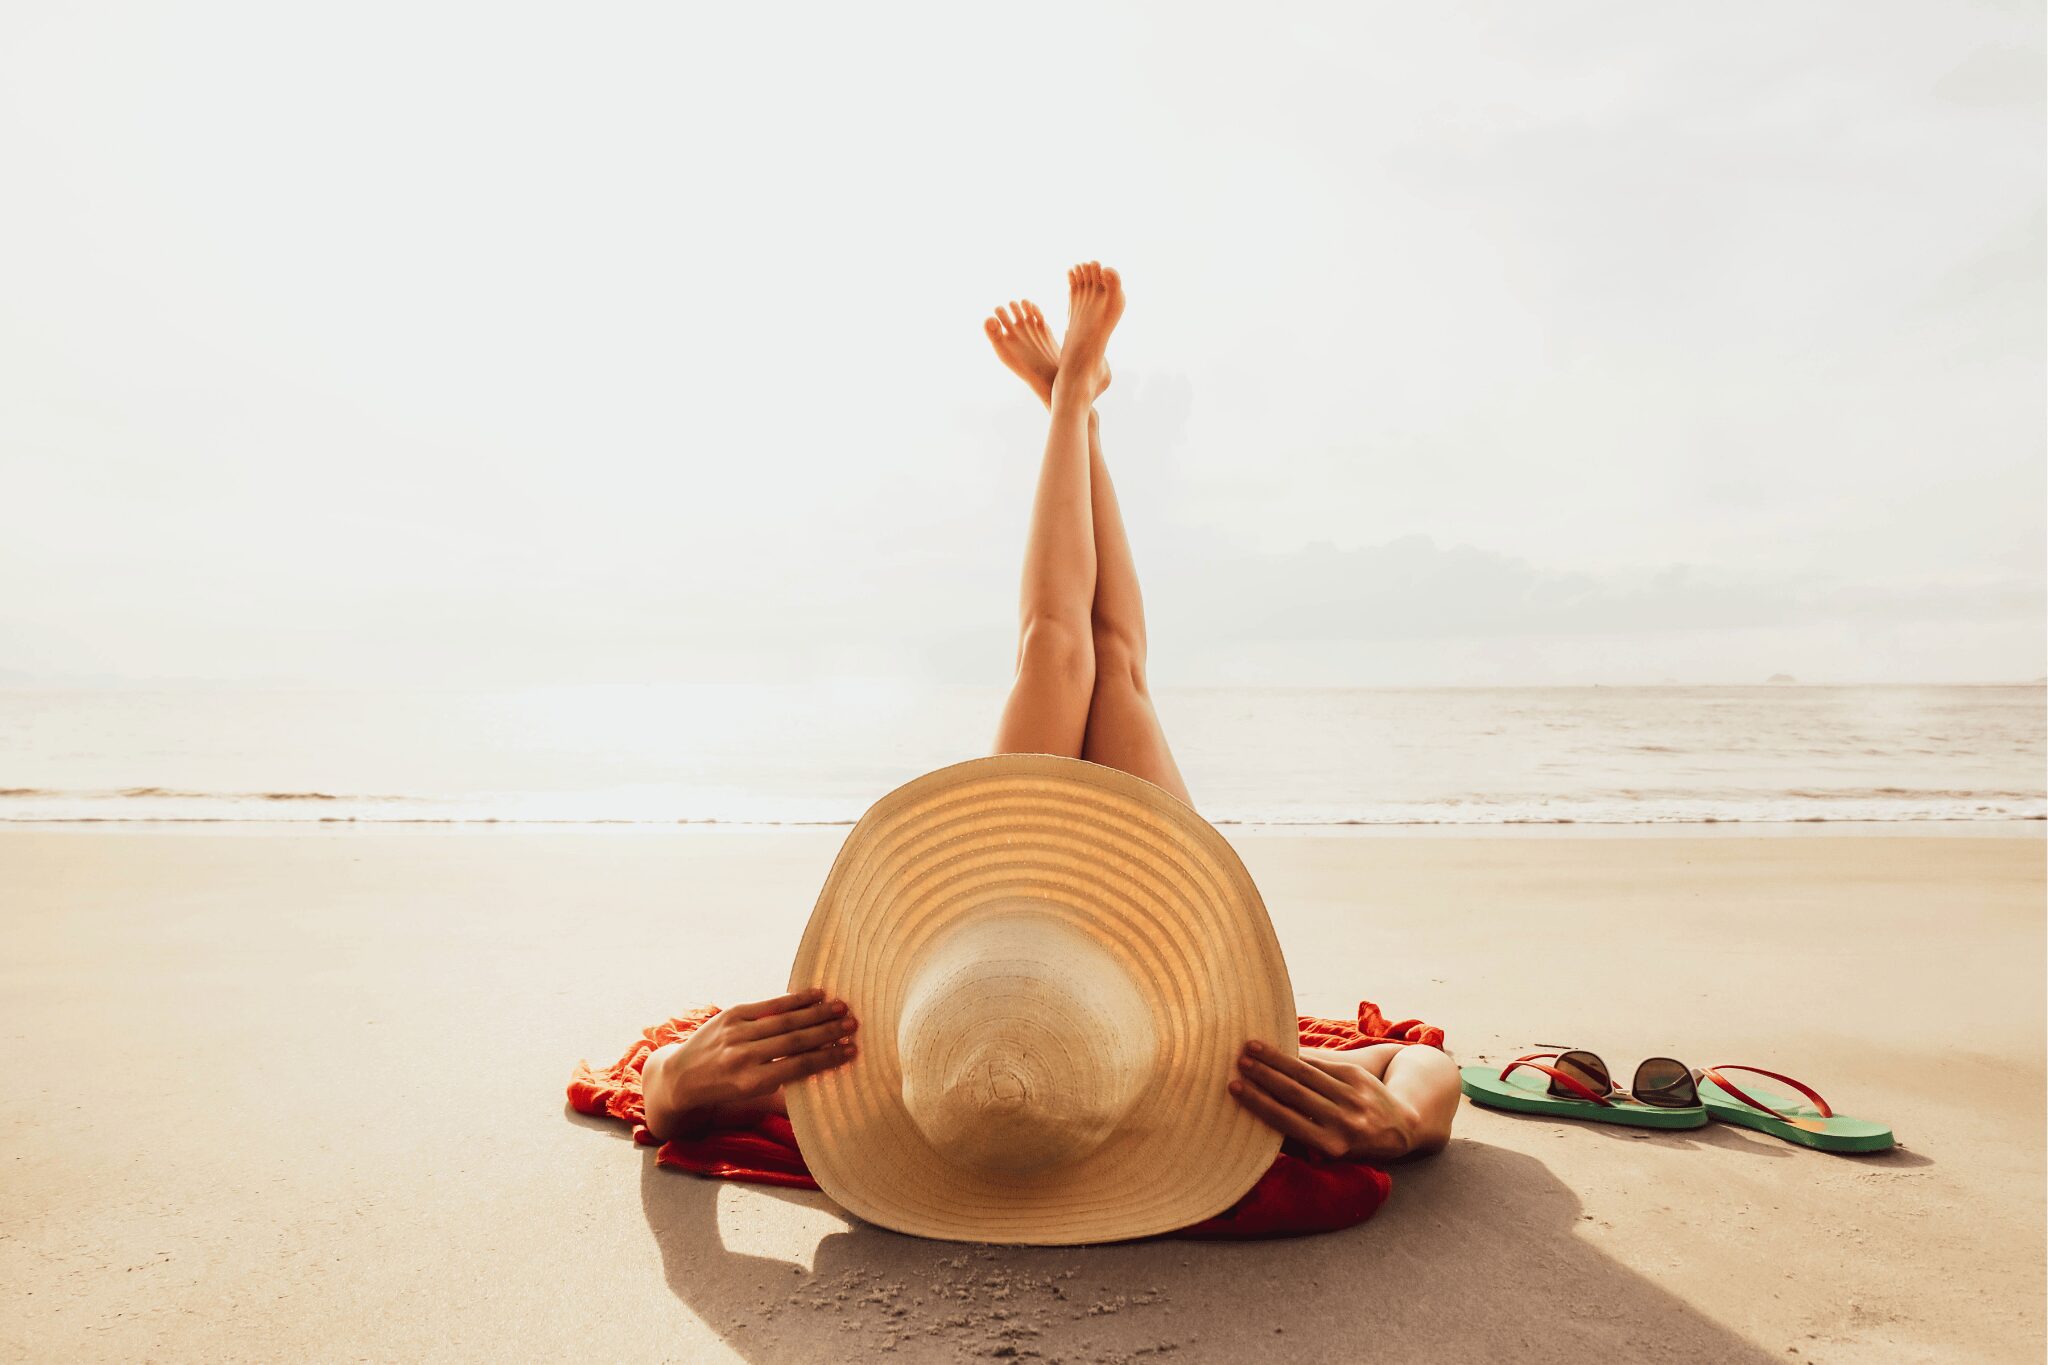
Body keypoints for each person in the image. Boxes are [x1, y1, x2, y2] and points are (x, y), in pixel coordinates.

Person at [642, 263, 1460, 1169]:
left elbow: (667, 1079)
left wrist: (678, 1084)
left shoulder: (906, 1059)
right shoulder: (1225, 1073)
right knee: (1112, 670)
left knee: (1054, 652)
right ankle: (1075, 401)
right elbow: (1423, 1059)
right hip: (1159, 944)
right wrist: (1409, 1122)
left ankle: (1072, 397)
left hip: (990, 916)